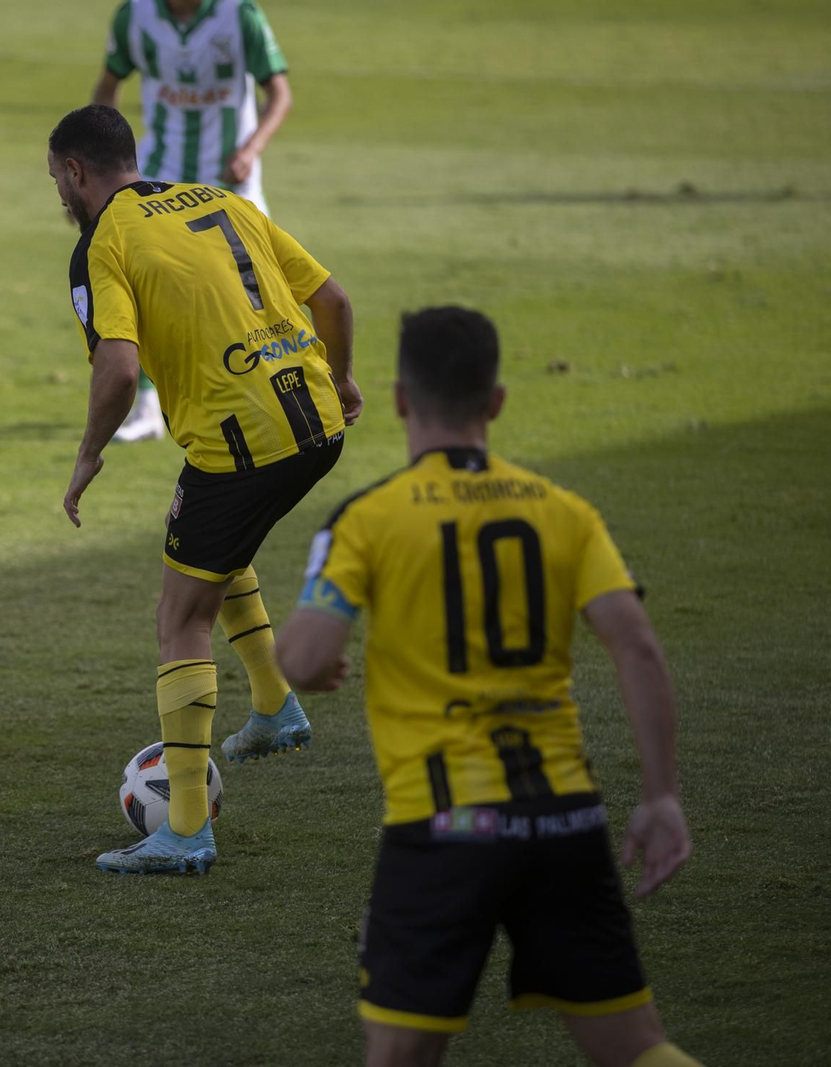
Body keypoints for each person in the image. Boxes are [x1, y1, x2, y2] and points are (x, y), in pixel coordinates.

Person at [274, 307, 698, 1067]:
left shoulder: (367, 519)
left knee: (401, 1052)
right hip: (563, 818)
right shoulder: (563, 511)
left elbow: (301, 660)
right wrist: (662, 794)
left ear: (401, 399)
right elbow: (636, 644)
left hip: (445, 826)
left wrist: (317, 662)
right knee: (637, 1049)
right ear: (496, 401)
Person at [48, 104, 361, 875]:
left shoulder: (102, 244)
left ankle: (185, 827)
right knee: (203, 543)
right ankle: (272, 705)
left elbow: (119, 368)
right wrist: (344, 376)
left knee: (178, 615)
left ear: (76, 172)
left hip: (243, 444)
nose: (57, 188)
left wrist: (89, 454)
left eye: (56, 176)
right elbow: (335, 301)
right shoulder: (223, 200)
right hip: (318, 420)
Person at [90, 0, 293, 443]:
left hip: (230, 181)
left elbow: (279, 93)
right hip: (160, 174)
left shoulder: (240, 15)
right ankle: (148, 406)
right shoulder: (135, 16)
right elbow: (106, 90)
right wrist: (103, 162)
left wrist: (250, 149)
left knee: (258, 287)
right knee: (148, 287)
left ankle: (275, 388)